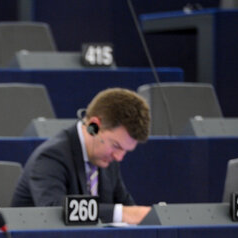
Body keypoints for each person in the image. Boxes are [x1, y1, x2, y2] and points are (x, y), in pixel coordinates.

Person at [11, 88, 152, 224]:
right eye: (116, 146)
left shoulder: (107, 159)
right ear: (94, 126)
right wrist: (122, 214)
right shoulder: (50, 157)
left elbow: (129, 208)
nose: (119, 157)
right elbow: (55, 212)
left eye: (125, 151)